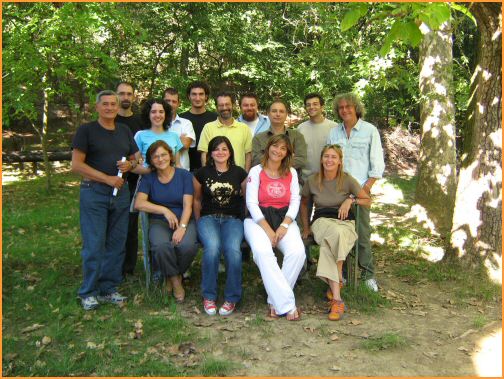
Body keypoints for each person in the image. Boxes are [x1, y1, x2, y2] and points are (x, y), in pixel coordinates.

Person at [72, 90, 140, 310]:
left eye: (113, 104)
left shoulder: (124, 130)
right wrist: (107, 179)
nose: (110, 108)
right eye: (106, 104)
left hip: (120, 195)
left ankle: (109, 288)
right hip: (94, 193)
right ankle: (88, 292)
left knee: (116, 243)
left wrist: (129, 165)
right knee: (94, 243)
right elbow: (77, 165)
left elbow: (136, 156)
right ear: (97, 107)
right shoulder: (87, 131)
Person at [300, 144, 371, 320]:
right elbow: (304, 203)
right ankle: (338, 295)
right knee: (335, 233)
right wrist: (306, 227)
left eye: (333, 157)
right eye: (326, 156)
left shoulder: (347, 180)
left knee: (330, 243)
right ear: (321, 159)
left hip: (345, 223)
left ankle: (335, 287)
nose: (329, 160)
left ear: (340, 161)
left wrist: (351, 200)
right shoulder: (313, 180)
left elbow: (367, 200)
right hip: (322, 222)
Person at [327, 92, 385, 292]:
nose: (345, 110)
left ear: (356, 108)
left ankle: (367, 274)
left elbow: (377, 167)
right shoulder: (334, 133)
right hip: (338, 191)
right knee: (340, 234)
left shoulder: (369, 131)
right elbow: (329, 160)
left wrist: (363, 191)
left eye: (348, 107)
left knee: (361, 234)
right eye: (341, 107)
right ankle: (341, 275)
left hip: (360, 192)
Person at [244, 134, 306, 321]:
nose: (277, 151)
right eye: (275, 146)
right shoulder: (256, 171)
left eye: (283, 148)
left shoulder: (291, 173)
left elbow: (295, 201)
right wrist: (269, 230)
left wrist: (285, 224)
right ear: (268, 147)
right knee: (263, 253)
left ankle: (274, 301)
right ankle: (287, 304)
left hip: (283, 218)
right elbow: (251, 203)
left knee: (297, 253)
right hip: (257, 219)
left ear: (287, 153)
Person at [134, 140, 198, 302]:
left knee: (187, 246)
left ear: (170, 155)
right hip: (159, 222)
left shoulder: (184, 175)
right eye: (155, 157)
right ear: (151, 160)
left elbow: (188, 205)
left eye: (163, 155)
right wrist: (164, 210)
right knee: (161, 246)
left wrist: (182, 227)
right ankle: (176, 280)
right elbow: (139, 203)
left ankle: (169, 276)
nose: (160, 159)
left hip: (184, 219)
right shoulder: (149, 178)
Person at [193, 136, 248, 316]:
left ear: (230, 152)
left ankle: (232, 298)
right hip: (208, 218)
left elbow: (247, 198)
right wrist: (198, 220)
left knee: (233, 250)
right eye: (216, 149)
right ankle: (209, 296)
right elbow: (196, 199)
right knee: (212, 248)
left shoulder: (239, 173)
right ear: (210, 153)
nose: (220, 152)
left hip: (232, 219)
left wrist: (243, 218)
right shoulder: (201, 173)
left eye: (224, 149)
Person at [115, 81, 145, 278]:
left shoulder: (141, 122)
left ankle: (128, 268)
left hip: (135, 180)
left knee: (131, 226)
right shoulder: (110, 119)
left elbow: (141, 154)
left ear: (134, 97)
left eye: (129, 94)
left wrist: (134, 166)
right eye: (122, 93)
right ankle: (112, 265)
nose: (125, 97)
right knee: (113, 226)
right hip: (111, 179)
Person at [198, 91, 253, 171]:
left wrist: (245, 176)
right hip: (214, 177)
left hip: (238, 178)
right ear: (217, 107)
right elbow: (204, 154)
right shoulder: (208, 128)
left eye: (227, 104)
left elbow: (248, 154)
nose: (224, 108)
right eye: (221, 105)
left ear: (233, 105)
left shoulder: (244, 128)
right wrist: (206, 175)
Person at [251, 100, 307, 174]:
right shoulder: (258, 138)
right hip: (264, 180)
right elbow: (256, 161)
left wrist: (270, 158)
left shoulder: (297, 136)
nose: (278, 114)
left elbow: (301, 160)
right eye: (274, 111)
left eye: (281, 111)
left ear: (286, 114)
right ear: (268, 114)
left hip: (291, 179)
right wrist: (288, 158)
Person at [297, 93, 337, 182]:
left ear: (322, 107)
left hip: (330, 180)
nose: (311, 107)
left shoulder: (334, 128)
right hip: (306, 180)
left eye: (315, 104)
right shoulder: (300, 128)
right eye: (308, 105)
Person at [180, 81, 217, 172]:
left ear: (206, 96)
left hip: (211, 169)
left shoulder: (215, 118)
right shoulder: (181, 119)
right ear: (189, 96)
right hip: (186, 169)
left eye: (201, 94)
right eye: (194, 94)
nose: (197, 98)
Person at [134, 99, 183, 167]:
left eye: (161, 112)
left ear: (166, 114)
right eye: (153, 112)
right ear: (148, 114)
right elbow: (136, 164)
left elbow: (177, 164)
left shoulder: (174, 136)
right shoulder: (140, 135)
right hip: (148, 177)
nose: (158, 115)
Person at [163, 87, 196, 171]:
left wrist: (162, 142)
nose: (170, 104)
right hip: (160, 173)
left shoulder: (186, 123)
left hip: (181, 172)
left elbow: (185, 144)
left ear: (178, 104)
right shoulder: (156, 123)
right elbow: (152, 146)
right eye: (167, 101)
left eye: (174, 101)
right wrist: (178, 140)